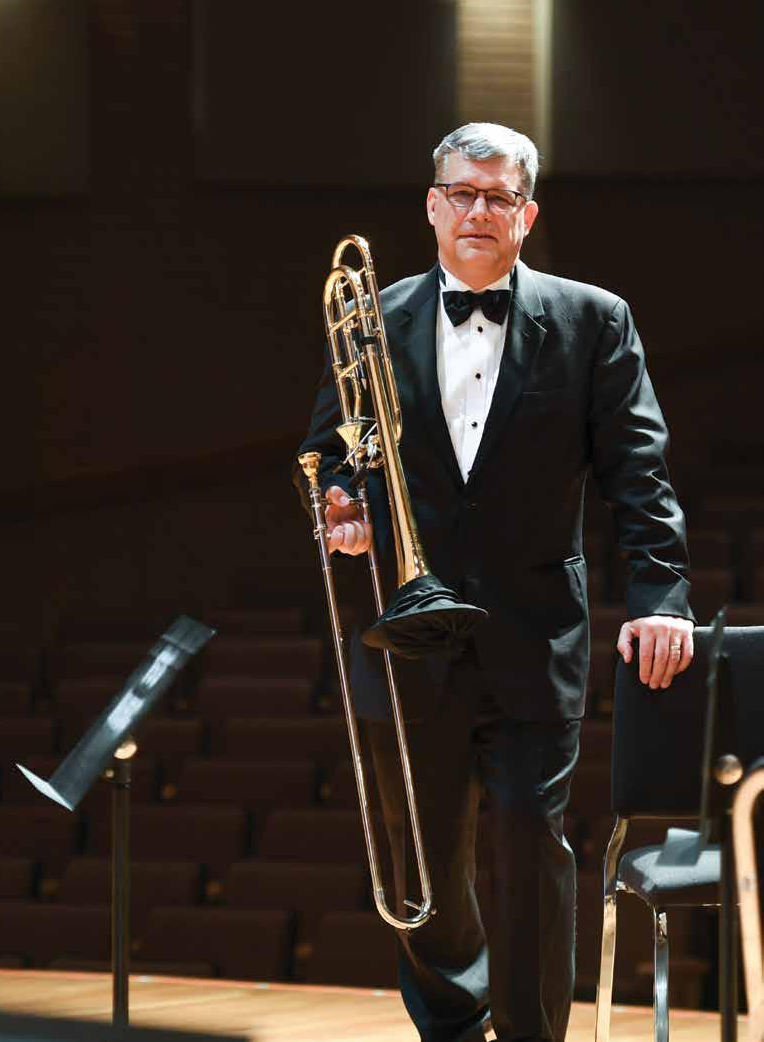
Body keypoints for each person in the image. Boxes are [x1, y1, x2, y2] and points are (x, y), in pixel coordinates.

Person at [293, 122, 694, 1042]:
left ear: (527, 213)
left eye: (498, 195)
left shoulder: (594, 319)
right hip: (406, 633)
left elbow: (639, 476)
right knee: (422, 858)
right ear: (432, 206)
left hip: (534, 630)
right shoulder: (370, 318)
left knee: (526, 839)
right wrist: (341, 503)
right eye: (461, 193)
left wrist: (661, 597)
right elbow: (328, 451)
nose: (478, 210)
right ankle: (451, 1023)